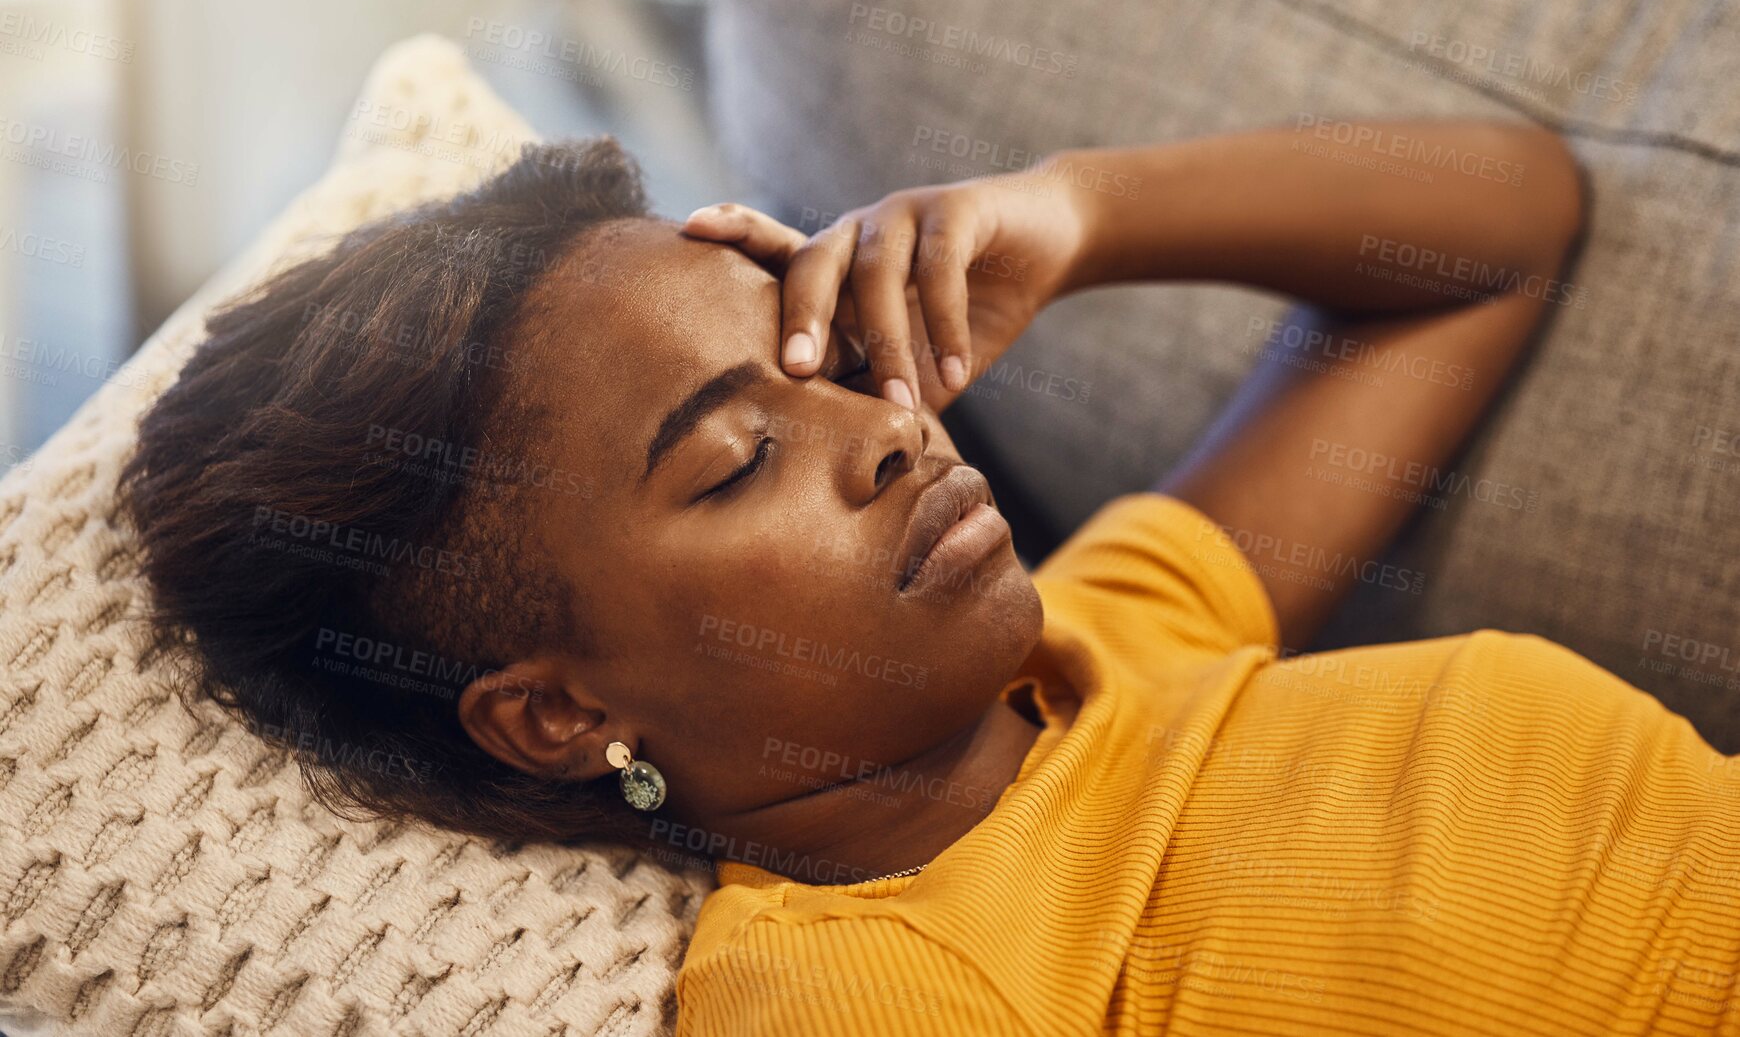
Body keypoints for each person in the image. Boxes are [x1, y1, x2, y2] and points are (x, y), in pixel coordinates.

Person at [122, 122, 1740, 1037]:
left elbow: (1500, 232)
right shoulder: (858, 985)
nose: (889, 429)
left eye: (825, 361)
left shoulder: (1121, 633)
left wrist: (1077, 209)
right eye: (735, 458)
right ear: (558, 710)